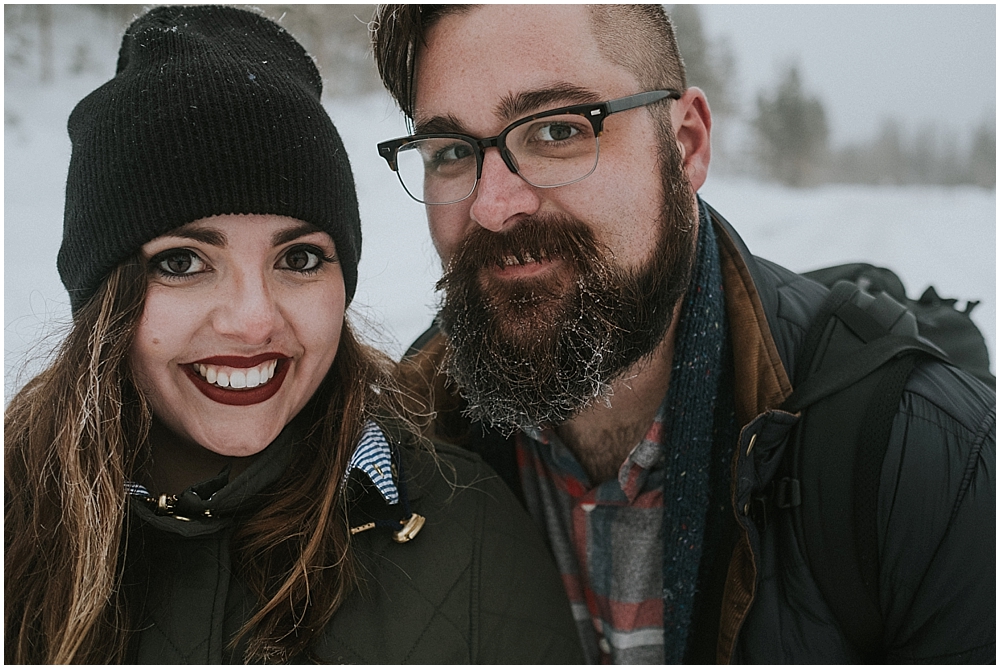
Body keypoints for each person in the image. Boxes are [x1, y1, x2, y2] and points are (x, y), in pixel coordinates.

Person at [370, 4, 995, 664]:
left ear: (687, 144)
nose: (492, 206)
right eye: (448, 152)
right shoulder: (402, 458)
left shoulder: (929, 466)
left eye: (557, 130)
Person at [3, 6, 584, 664]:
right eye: (183, 261)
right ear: (103, 297)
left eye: (299, 258)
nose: (253, 319)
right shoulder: (14, 524)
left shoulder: (467, 531)